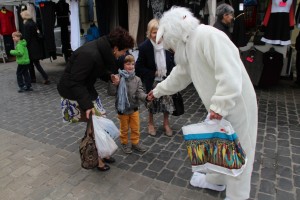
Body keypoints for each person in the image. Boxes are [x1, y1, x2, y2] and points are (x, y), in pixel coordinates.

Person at [148, 7, 257, 200]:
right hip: (218, 108)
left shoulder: (208, 36)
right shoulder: (188, 47)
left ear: (174, 35)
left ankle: (237, 196)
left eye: (169, 45)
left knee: (240, 151)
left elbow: (230, 74)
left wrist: (220, 106)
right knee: (219, 145)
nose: (171, 50)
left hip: (238, 105)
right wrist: (157, 91)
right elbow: (179, 76)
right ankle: (216, 180)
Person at [57, 27, 134, 171]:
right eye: (124, 51)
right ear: (116, 48)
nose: (124, 54)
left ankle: (102, 152)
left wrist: (109, 76)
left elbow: (96, 69)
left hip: (84, 87)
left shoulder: (102, 50)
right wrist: (87, 105)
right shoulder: (89, 54)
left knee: (99, 120)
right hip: (73, 91)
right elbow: (75, 81)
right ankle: (97, 158)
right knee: (94, 123)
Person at [135, 18, 175, 137]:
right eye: (154, 32)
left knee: (167, 101)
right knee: (151, 102)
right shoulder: (144, 47)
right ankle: (151, 123)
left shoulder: (168, 45)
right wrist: (153, 73)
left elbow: (173, 62)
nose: (156, 35)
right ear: (149, 33)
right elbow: (139, 67)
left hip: (166, 79)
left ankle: (166, 123)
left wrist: (171, 73)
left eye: (159, 32)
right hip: (152, 81)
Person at [115, 54, 150, 154]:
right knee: (124, 128)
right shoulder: (119, 78)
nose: (131, 66)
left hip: (134, 107)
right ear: (123, 65)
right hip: (122, 109)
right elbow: (112, 91)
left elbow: (140, 92)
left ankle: (135, 142)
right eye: (127, 64)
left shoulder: (137, 79)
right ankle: (124, 143)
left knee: (135, 127)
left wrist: (146, 97)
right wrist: (115, 83)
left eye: (132, 64)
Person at [20, 10, 50, 84]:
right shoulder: (33, 23)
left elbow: (27, 37)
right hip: (36, 46)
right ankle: (38, 78)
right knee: (36, 63)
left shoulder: (27, 24)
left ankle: (36, 78)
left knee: (32, 64)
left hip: (30, 47)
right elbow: (38, 34)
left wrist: (23, 44)